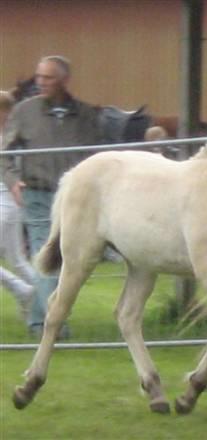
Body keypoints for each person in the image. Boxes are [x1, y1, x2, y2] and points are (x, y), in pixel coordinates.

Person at [0, 55, 102, 338]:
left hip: (75, 200)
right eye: (39, 77)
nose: (40, 82)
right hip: (37, 195)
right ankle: (53, 325)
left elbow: (98, 157)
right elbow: (5, 151)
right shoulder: (24, 112)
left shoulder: (86, 116)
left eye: (48, 78)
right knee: (46, 254)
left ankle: (37, 319)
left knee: (67, 259)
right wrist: (12, 181)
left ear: (64, 80)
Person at [0, 90, 35, 322]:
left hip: (6, 200)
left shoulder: (11, 136)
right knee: (17, 260)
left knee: (18, 259)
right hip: (9, 202)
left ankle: (24, 292)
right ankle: (43, 297)